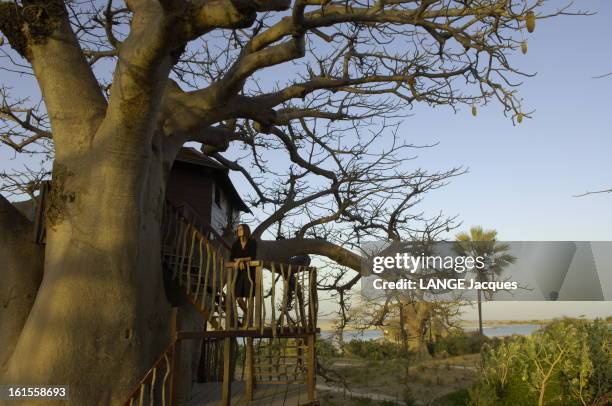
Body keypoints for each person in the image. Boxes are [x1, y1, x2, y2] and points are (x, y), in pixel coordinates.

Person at [229, 223, 257, 298]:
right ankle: (246, 309)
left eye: (241, 229)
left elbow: (252, 257)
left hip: (249, 271)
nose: (238, 231)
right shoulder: (235, 244)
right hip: (238, 272)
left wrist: (239, 260)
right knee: (236, 295)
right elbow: (231, 258)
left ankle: (249, 310)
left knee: (249, 295)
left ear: (246, 230)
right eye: (238, 229)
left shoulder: (252, 242)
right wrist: (240, 261)